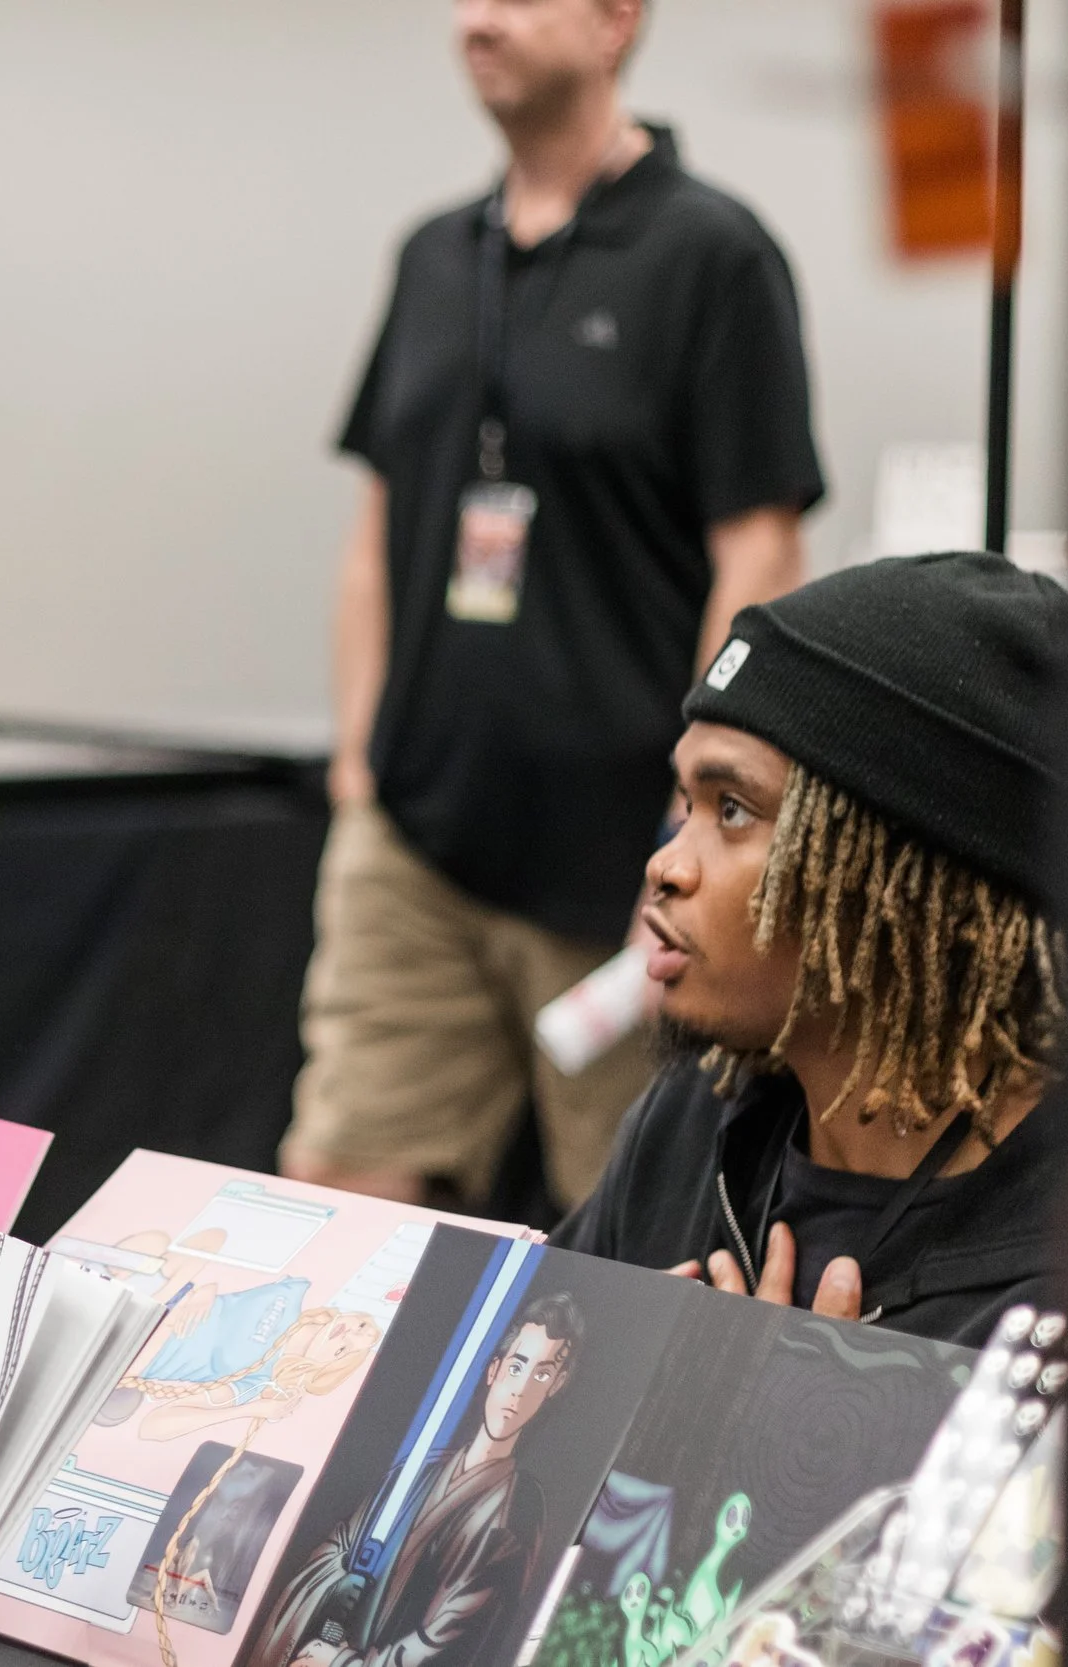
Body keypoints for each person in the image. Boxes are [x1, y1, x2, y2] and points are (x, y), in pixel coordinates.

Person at [283, 0, 825, 1213]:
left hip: (622, 860)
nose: (478, 19)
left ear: (616, 23)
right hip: (414, 834)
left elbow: (760, 548)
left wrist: (703, 820)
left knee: (631, 1237)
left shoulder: (710, 254)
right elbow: (379, 525)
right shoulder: (433, 254)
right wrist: (359, 764)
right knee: (330, 1194)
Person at [555, 553, 1068, 1348]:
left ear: (907, 880)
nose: (666, 865)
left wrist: (787, 1432)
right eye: (684, 804)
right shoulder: (695, 1119)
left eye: (732, 810)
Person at [246, 1294, 583, 1667]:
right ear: (494, 1371)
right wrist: (338, 1586)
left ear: (556, 1385)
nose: (521, 1389)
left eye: (542, 1374)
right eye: (516, 1367)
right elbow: (338, 1545)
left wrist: (343, 1663)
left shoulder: (521, 1503)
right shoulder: (421, 1470)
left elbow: (454, 1638)